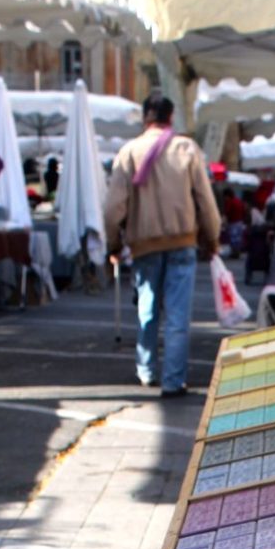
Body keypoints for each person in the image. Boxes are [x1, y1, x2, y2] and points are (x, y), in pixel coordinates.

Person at [105, 91, 221, 396]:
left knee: (147, 309)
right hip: (182, 241)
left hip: (144, 245)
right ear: (171, 118)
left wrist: (113, 244)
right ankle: (173, 379)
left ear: (146, 118)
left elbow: (113, 206)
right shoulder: (187, 149)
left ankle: (146, 371)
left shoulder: (128, 152)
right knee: (178, 316)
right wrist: (212, 238)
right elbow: (205, 202)